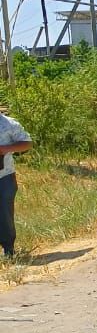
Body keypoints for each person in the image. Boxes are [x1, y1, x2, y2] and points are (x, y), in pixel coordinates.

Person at [0, 111, 33, 258]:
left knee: (5, 214)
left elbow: (27, 143)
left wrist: (4, 149)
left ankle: (8, 250)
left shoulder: (9, 124)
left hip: (4, 177)